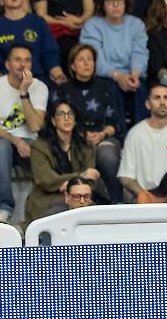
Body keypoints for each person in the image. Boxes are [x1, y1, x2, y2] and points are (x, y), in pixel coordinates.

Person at [0, 43, 48, 224]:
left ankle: (42, 208)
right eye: (18, 60)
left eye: (27, 60)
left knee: (42, 150)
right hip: (0, 139)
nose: (23, 64)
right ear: (7, 64)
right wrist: (16, 141)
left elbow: (35, 127)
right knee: (1, 147)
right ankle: (4, 207)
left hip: (30, 141)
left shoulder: (39, 87)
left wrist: (23, 92)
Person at [52, 43, 125, 205]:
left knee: (107, 153)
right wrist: (81, 136)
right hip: (73, 138)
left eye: (90, 59)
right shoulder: (63, 90)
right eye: (81, 60)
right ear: (72, 66)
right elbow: (59, 120)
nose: (86, 63)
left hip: (103, 136)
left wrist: (102, 134)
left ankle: (117, 202)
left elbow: (117, 123)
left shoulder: (107, 87)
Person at [79, 0, 149, 123]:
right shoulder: (92, 25)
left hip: (132, 74)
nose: (115, 5)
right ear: (102, 4)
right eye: (110, 0)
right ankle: (118, 133)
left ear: (125, 2)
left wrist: (134, 75)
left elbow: (140, 52)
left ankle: (141, 133)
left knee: (139, 90)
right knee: (111, 90)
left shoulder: (136, 24)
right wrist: (117, 76)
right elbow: (95, 59)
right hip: (104, 76)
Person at [27, 101, 101, 222]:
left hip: (81, 196)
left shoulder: (85, 146)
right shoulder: (39, 147)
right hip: (47, 198)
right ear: (53, 121)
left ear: (75, 120)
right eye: (61, 114)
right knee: (74, 203)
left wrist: (69, 185)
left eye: (70, 113)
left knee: (88, 203)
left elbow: (91, 178)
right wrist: (80, 176)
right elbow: (46, 179)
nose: (67, 118)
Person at [0, 0, 65, 85]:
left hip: (38, 80)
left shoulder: (38, 22)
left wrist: (57, 73)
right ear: (0, 0)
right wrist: (2, 85)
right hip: (8, 82)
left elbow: (50, 53)